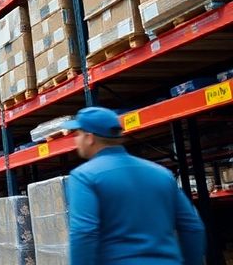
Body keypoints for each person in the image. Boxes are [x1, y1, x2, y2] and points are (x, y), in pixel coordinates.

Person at [60, 106, 206, 265]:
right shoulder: (162, 174)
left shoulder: (84, 177)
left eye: (78, 134)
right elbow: (193, 227)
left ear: (89, 138)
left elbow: (84, 233)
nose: (76, 139)